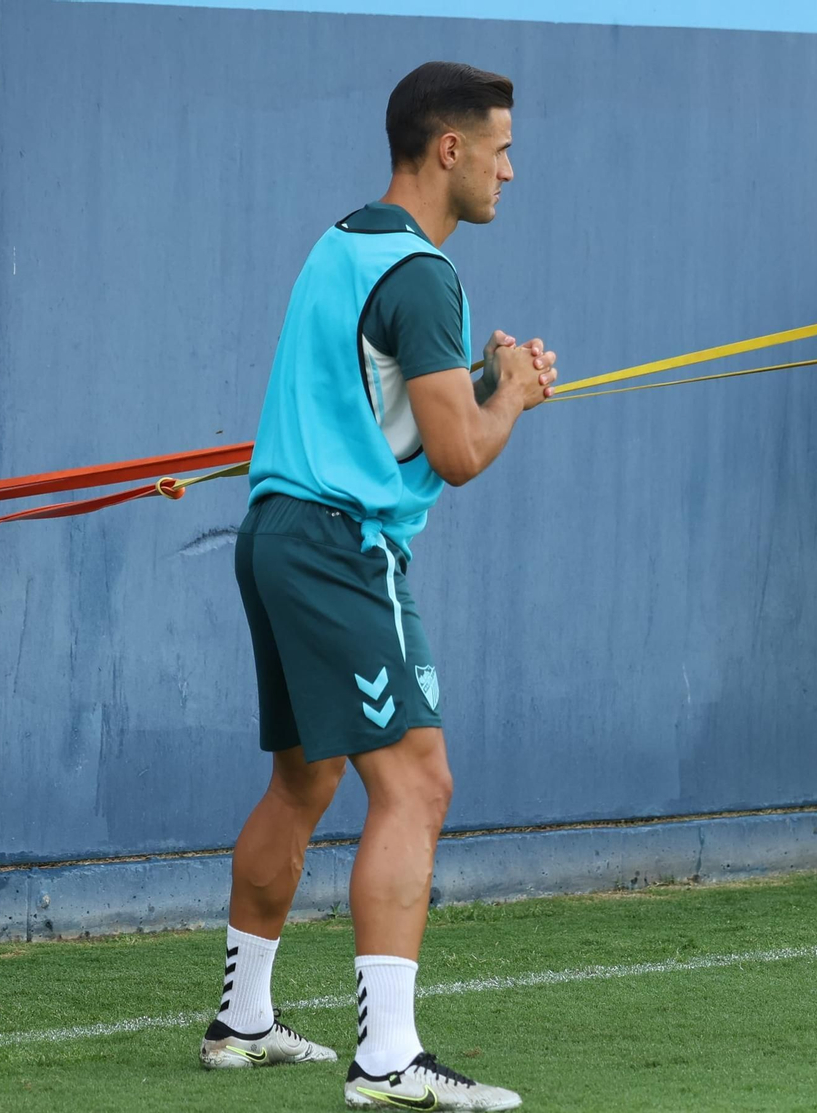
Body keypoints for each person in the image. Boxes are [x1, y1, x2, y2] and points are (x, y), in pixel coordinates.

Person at [197, 61, 556, 1109]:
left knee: (305, 779)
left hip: (276, 534)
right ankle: (389, 1061)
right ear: (449, 150)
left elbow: (390, 405)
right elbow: (456, 453)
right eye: (498, 150)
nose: (509, 171)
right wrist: (517, 395)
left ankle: (243, 1021)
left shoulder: (342, 243)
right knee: (418, 783)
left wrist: (487, 381)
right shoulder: (424, 276)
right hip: (340, 549)